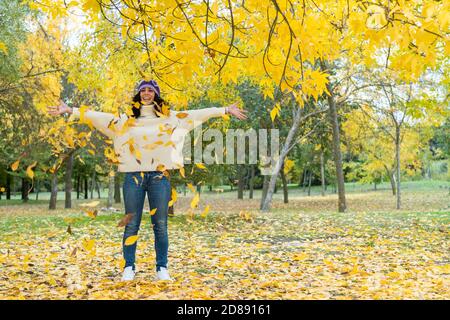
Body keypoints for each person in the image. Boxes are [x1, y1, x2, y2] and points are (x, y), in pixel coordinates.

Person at [47, 80, 247, 281]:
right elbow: (99, 117)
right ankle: (129, 267)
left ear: (156, 94)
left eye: (150, 90)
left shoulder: (171, 118)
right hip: (133, 176)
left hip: (159, 177)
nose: (147, 93)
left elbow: (196, 114)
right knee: (131, 223)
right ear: (139, 94)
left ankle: (162, 268)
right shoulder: (126, 120)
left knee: (160, 224)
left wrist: (224, 110)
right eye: (143, 90)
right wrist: (70, 110)